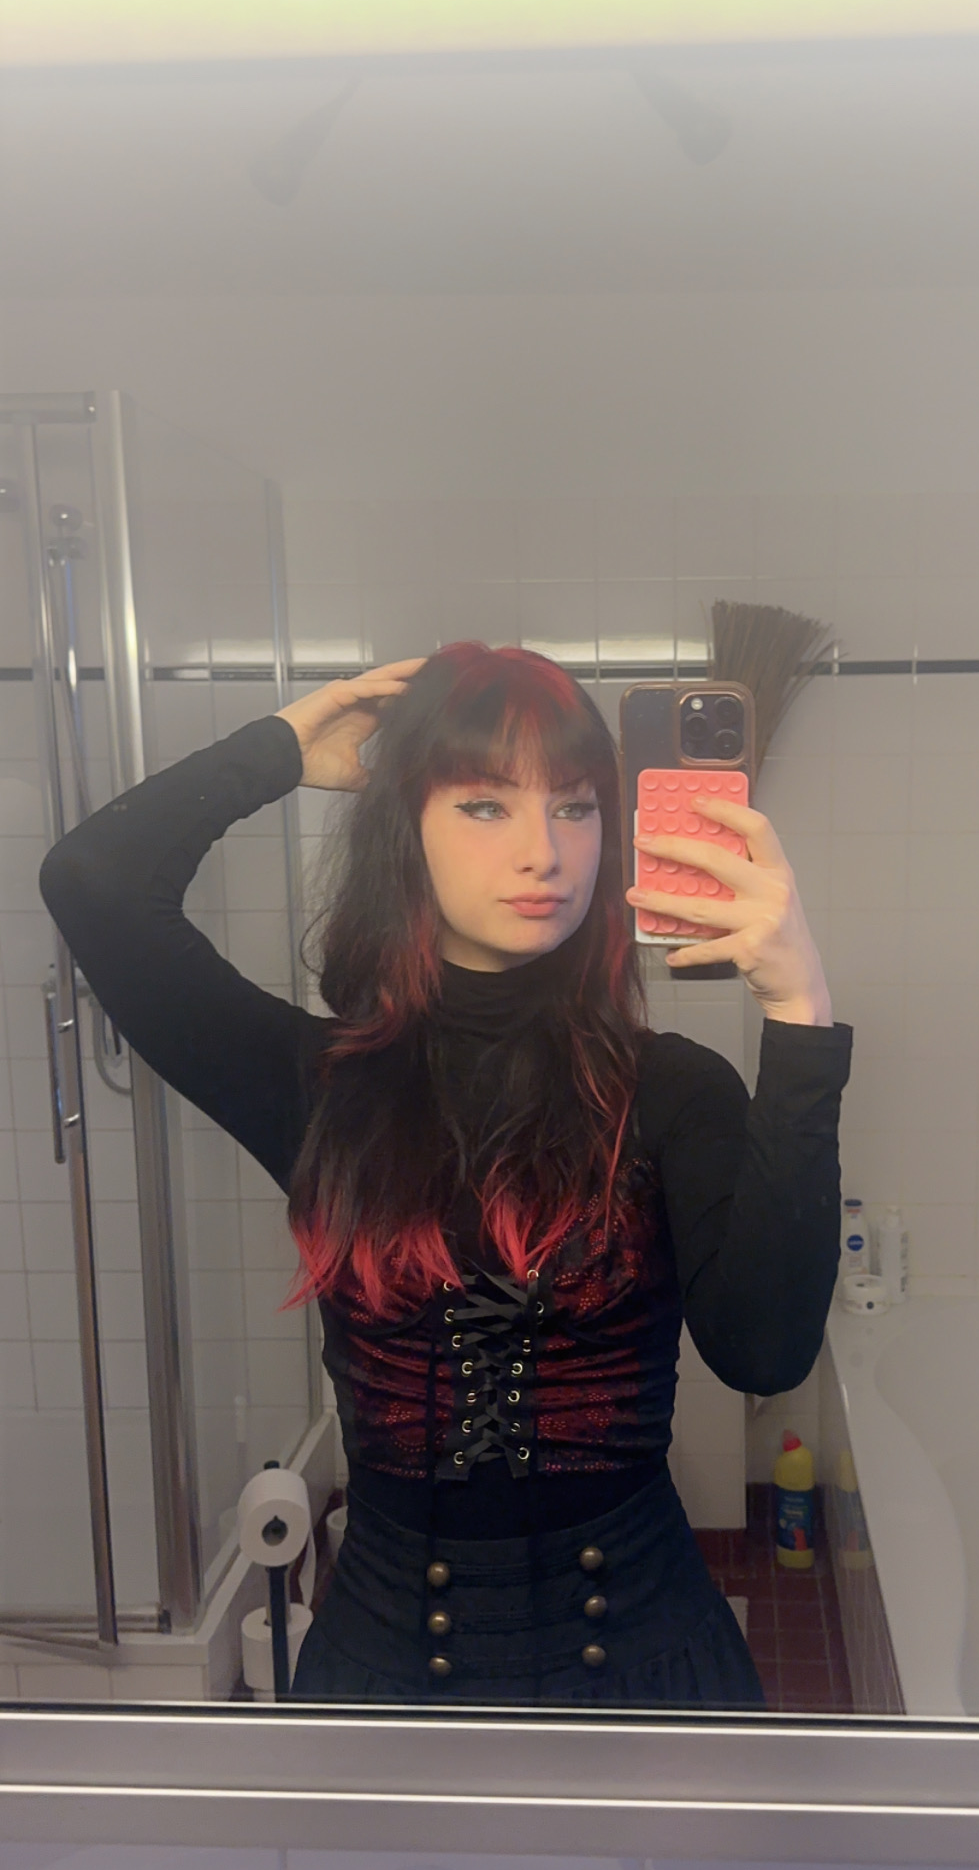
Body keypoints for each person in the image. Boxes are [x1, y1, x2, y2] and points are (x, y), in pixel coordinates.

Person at [39, 642, 850, 1707]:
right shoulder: (322, 1085)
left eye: (574, 807)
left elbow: (765, 1351)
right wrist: (281, 749)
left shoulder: (673, 1089)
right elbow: (92, 880)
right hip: (384, 1666)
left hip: (648, 1660)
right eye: (484, 805)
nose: (543, 853)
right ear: (405, 829)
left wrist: (801, 1019)